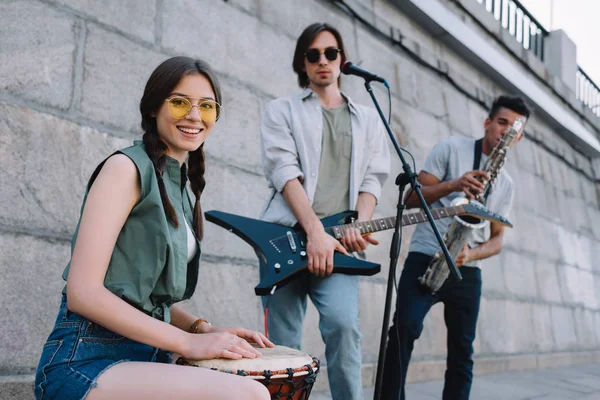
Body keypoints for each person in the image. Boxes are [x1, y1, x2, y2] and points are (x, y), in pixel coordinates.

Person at [34, 56, 274, 400]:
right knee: (248, 395)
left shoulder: (180, 190)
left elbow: (139, 296)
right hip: (85, 361)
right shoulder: (125, 168)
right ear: (152, 109)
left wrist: (203, 328)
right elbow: (83, 292)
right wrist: (189, 343)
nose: (194, 116)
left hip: (147, 356)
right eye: (179, 103)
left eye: (206, 107)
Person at [259, 23, 391, 400]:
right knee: (281, 343)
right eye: (313, 54)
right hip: (285, 237)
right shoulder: (280, 110)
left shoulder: (368, 118)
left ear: (342, 59)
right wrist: (315, 231)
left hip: (340, 244)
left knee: (344, 328)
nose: (323, 61)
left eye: (330, 53)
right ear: (302, 63)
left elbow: (373, 179)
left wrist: (357, 223)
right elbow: (284, 172)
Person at [381, 95, 531, 399]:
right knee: (404, 330)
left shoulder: (507, 186)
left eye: (512, 128)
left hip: (466, 267)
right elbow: (412, 198)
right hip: (426, 255)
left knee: (463, 351)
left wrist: (471, 254)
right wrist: (455, 185)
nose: (505, 131)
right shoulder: (451, 149)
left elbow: (498, 238)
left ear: (519, 138)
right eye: (501, 122)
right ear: (488, 123)